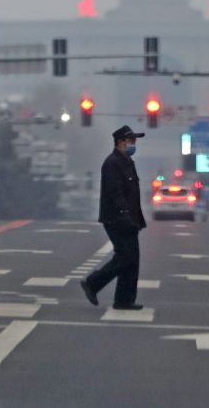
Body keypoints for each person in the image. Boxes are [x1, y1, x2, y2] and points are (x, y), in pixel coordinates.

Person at [80, 125, 147, 310]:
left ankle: (124, 300)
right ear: (120, 142)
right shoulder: (112, 163)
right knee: (126, 256)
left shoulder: (126, 162)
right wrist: (125, 215)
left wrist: (136, 219)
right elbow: (115, 193)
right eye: (131, 140)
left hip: (128, 219)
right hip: (117, 219)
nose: (134, 144)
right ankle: (93, 283)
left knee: (131, 259)